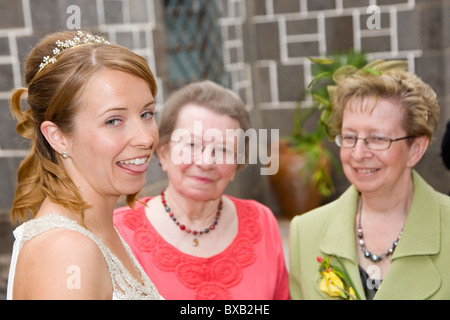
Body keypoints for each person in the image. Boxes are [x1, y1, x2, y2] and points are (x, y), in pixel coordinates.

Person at [7, 30, 163, 300]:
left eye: (146, 113)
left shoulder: (97, 229)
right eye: (113, 121)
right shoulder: (66, 251)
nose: (145, 138)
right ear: (58, 137)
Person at [114, 80, 290, 300]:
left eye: (223, 149)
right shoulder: (117, 233)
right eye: (192, 145)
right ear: (164, 152)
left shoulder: (262, 222)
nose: (207, 162)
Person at [289, 67, 450, 300]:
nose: (358, 153)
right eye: (350, 137)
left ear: (415, 149)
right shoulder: (306, 232)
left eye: (377, 138)